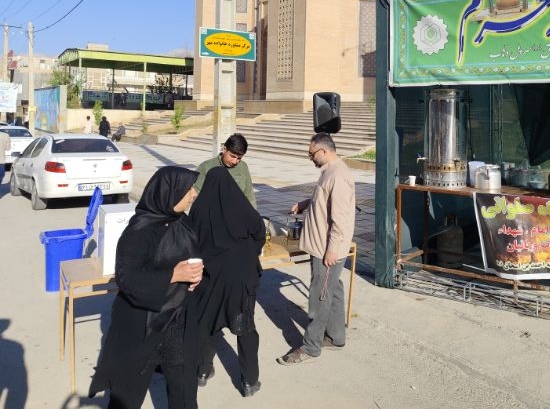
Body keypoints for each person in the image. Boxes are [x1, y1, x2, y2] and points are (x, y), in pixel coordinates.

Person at [89, 166, 203, 409]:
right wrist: (173, 275)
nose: (194, 193)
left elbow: (193, 256)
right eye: (188, 189)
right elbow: (127, 278)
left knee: (184, 392)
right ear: (168, 193)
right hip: (144, 326)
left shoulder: (183, 223)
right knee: (127, 396)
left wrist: (196, 276)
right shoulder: (139, 230)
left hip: (179, 322)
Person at [276, 132, 356, 366]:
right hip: (322, 245)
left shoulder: (338, 176)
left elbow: (340, 218)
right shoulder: (329, 172)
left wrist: (332, 249)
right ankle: (337, 337)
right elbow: (325, 201)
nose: (310, 157)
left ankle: (311, 347)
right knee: (334, 289)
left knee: (319, 295)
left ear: (324, 151)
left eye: (311, 154)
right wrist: (305, 204)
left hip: (327, 249)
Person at [189, 166, 266, 398]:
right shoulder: (240, 205)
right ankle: (249, 381)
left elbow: (190, 240)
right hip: (240, 277)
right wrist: (251, 251)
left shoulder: (199, 208)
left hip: (211, 277)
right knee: (245, 326)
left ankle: (202, 372)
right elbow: (259, 231)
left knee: (208, 323)